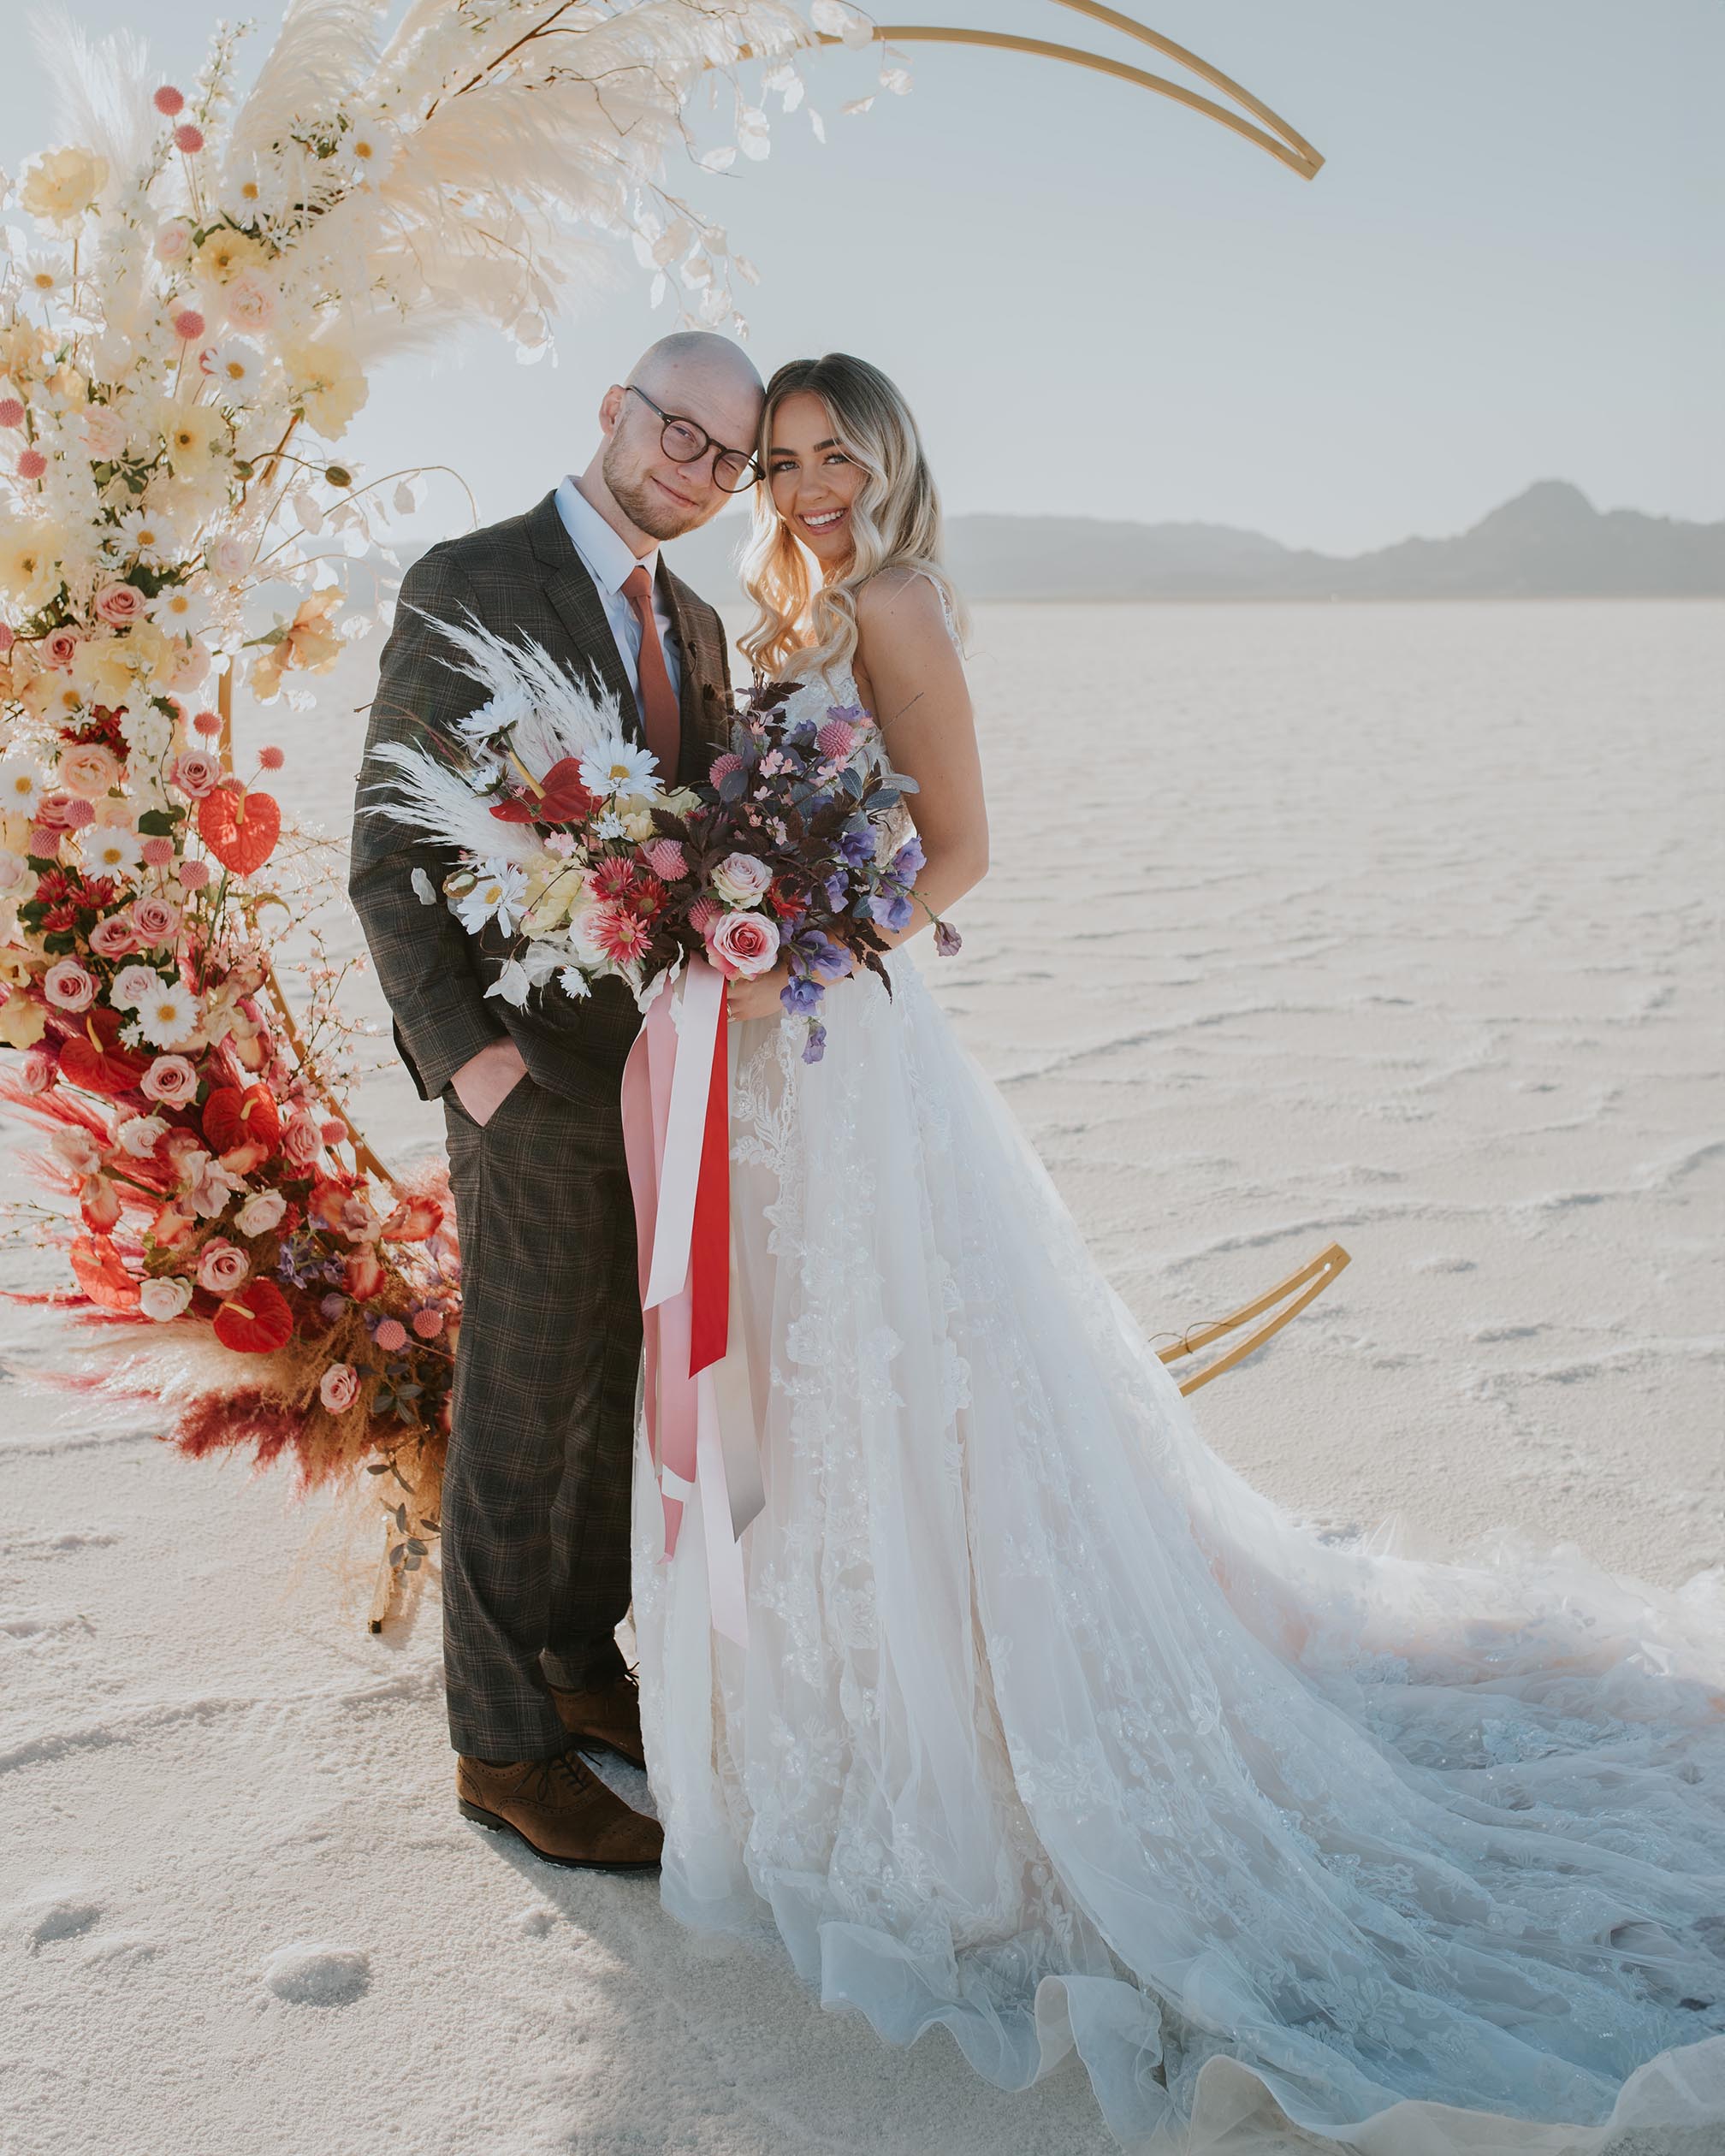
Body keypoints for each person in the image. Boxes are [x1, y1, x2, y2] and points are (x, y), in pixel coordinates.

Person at [632, 354, 1725, 2149]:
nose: (811, 484)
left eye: (840, 454)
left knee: (907, 1382)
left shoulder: (892, 599)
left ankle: (972, 1746)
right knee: (807, 1395)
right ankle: (809, 1723)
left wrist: (808, 946)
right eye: (784, 459)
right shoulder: (785, 605)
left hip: (844, 1043)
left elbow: (964, 849)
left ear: (893, 463)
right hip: (761, 1068)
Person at [349, 331, 762, 1869]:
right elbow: (391, 853)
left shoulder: (703, 626)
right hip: (525, 1078)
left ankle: (584, 1671)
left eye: (728, 457)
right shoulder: (475, 581)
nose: (699, 469)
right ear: (615, 409)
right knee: (518, 1408)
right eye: (680, 431)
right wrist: (476, 1069)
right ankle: (500, 1748)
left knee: (609, 1389)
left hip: (656, 1072)